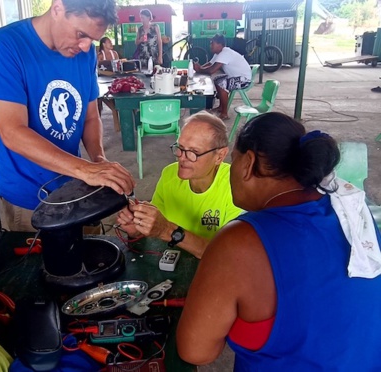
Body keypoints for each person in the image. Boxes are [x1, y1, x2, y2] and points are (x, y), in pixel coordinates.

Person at [176, 112, 381, 370]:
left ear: (248, 163)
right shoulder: (352, 211)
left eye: (233, 160)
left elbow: (195, 351)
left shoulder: (239, 242)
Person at [0, 0, 135, 232]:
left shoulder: (85, 54)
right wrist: (85, 170)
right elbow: (12, 131)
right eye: (80, 34)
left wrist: (98, 159)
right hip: (30, 196)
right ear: (57, 8)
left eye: (91, 40)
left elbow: (91, 117)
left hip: (76, 187)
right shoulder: (6, 45)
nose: (84, 47)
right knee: (42, 265)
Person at [116, 112, 242, 258]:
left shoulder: (236, 186)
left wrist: (167, 230)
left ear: (220, 156)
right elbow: (154, 229)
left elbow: (227, 254)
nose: (182, 157)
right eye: (180, 147)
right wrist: (137, 228)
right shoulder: (170, 174)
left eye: (193, 152)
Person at [193, 34, 251, 120]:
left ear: (220, 45)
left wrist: (199, 70)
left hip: (244, 80)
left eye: (212, 43)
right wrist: (200, 67)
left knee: (221, 83)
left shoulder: (225, 53)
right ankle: (221, 107)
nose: (210, 45)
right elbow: (210, 64)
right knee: (217, 79)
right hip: (236, 77)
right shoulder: (219, 53)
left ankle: (224, 113)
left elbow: (212, 70)